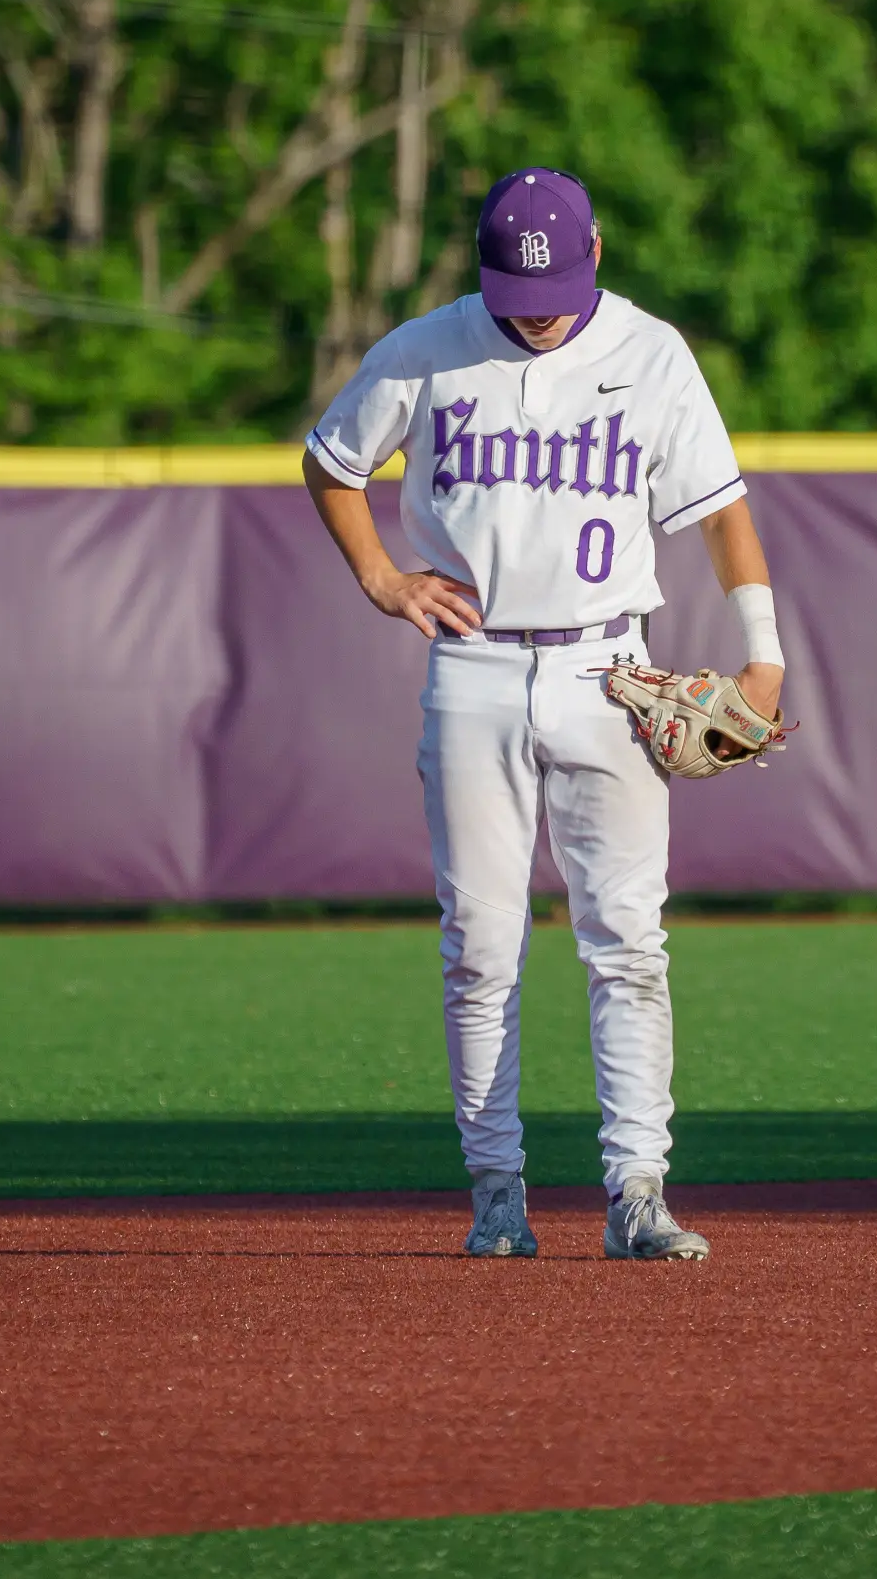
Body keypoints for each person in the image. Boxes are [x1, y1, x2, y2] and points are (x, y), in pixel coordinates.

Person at [303, 167, 785, 1261]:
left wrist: (763, 653)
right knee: (480, 946)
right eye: (515, 287)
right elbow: (330, 461)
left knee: (628, 941)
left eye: (559, 282)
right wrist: (381, 577)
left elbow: (720, 513)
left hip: (607, 671)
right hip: (471, 669)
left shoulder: (651, 352)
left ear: (597, 252)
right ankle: (494, 1193)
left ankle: (636, 1191)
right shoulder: (426, 346)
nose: (536, 306)